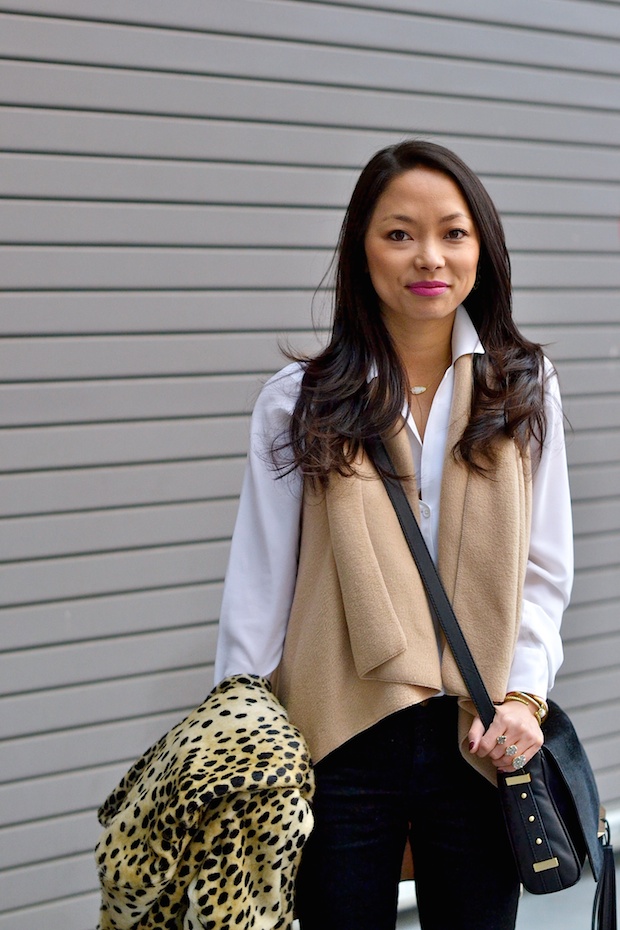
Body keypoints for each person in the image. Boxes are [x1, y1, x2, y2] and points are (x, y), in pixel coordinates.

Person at [214, 140, 572, 930]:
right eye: (399, 233)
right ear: (362, 249)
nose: (429, 258)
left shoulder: (524, 385)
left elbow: (544, 568)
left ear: (483, 246)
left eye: (453, 232)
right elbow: (260, 585)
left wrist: (524, 696)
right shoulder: (297, 400)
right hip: (337, 733)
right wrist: (238, 729)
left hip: (478, 735)